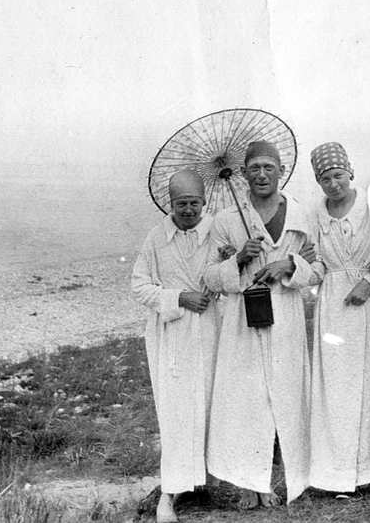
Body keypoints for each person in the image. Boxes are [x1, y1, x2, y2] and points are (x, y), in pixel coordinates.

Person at [203, 140, 319, 509]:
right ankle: (247, 483)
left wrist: (290, 266)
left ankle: (271, 481)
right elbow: (209, 276)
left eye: (269, 167)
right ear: (243, 174)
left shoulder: (300, 215)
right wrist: (238, 260)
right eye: (254, 168)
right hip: (243, 318)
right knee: (246, 400)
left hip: (284, 314)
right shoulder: (225, 220)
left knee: (282, 397)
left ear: (282, 171)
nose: (262, 175)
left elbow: (319, 267)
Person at [131, 170, 222, 523]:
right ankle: (170, 493)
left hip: (213, 327)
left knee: (215, 403)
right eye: (181, 204)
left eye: (194, 203)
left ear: (204, 203)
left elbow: (231, 273)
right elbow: (139, 287)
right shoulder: (157, 238)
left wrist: (232, 260)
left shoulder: (217, 231)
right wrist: (180, 297)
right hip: (172, 335)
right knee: (177, 412)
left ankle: (213, 478)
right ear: (170, 205)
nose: (188, 210)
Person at [307, 142, 370, 493]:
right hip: (334, 307)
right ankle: (338, 475)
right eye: (325, 178)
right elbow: (316, 264)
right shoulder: (314, 213)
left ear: (351, 171)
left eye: (339, 175)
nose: (334, 184)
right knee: (336, 390)